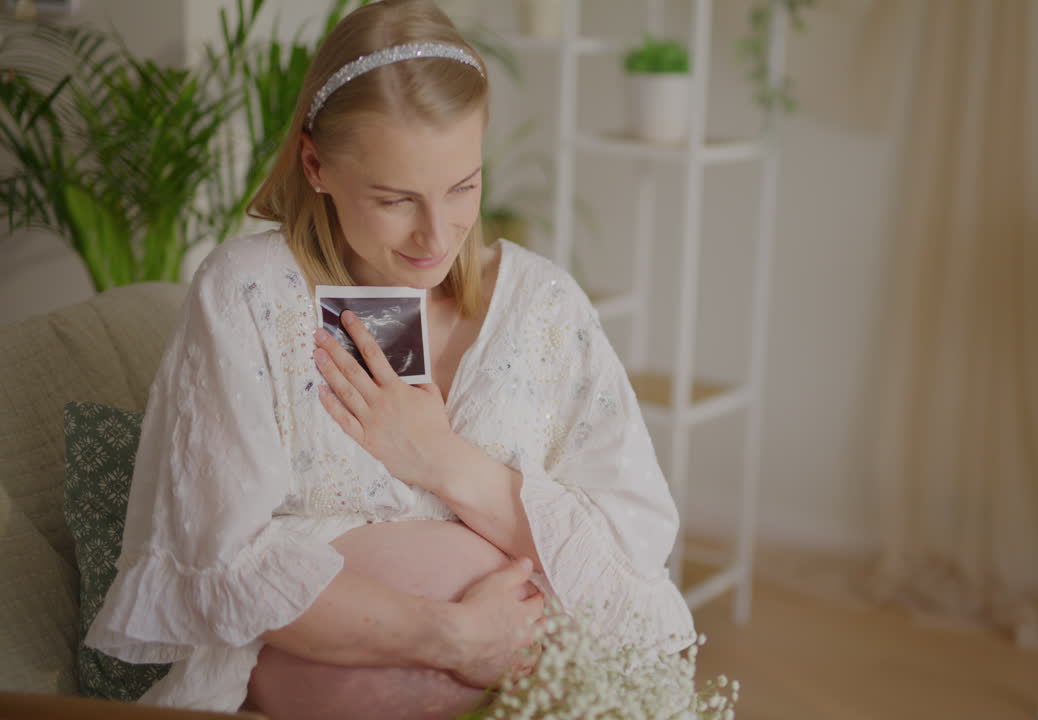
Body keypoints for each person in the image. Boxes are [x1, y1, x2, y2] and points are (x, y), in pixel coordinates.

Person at [84, 1, 696, 717]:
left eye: (463, 187)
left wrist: (442, 460)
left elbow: (629, 562)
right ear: (315, 164)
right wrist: (454, 637)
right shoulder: (250, 297)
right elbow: (223, 563)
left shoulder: (545, 308)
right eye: (395, 198)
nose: (436, 235)